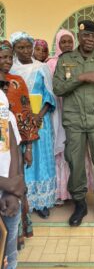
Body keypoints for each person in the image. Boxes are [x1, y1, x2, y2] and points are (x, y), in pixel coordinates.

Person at [53, 20, 94, 226]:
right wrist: (81, 77)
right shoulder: (65, 60)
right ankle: (79, 203)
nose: (90, 40)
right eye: (86, 36)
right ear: (79, 37)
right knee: (76, 163)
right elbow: (58, 89)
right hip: (74, 121)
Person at [10, 31, 56, 219]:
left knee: (40, 160)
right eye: (21, 47)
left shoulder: (42, 68)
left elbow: (49, 95)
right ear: (14, 50)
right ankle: (24, 199)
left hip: (40, 121)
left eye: (28, 46)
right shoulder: (11, 70)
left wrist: (39, 115)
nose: (26, 50)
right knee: (21, 160)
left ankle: (42, 202)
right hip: (18, 122)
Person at [47, 29, 94, 205]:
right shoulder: (51, 64)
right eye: (63, 42)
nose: (67, 45)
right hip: (57, 111)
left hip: (76, 112)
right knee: (60, 151)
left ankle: (76, 192)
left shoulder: (78, 60)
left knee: (77, 150)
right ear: (57, 43)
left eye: (69, 41)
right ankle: (60, 193)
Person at [0, 42, 38, 249]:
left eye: (9, 57)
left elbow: (27, 114)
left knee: (16, 190)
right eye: (2, 57)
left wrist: (29, 148)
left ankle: (16, 237)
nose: (6, 61)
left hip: (15, 148)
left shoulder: (17, 81)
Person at [0, 88, 25, 269]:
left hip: (7, 192)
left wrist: (14, 190)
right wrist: (6, 184)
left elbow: (13, 146)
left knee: (8, 256)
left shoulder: (1, 98)